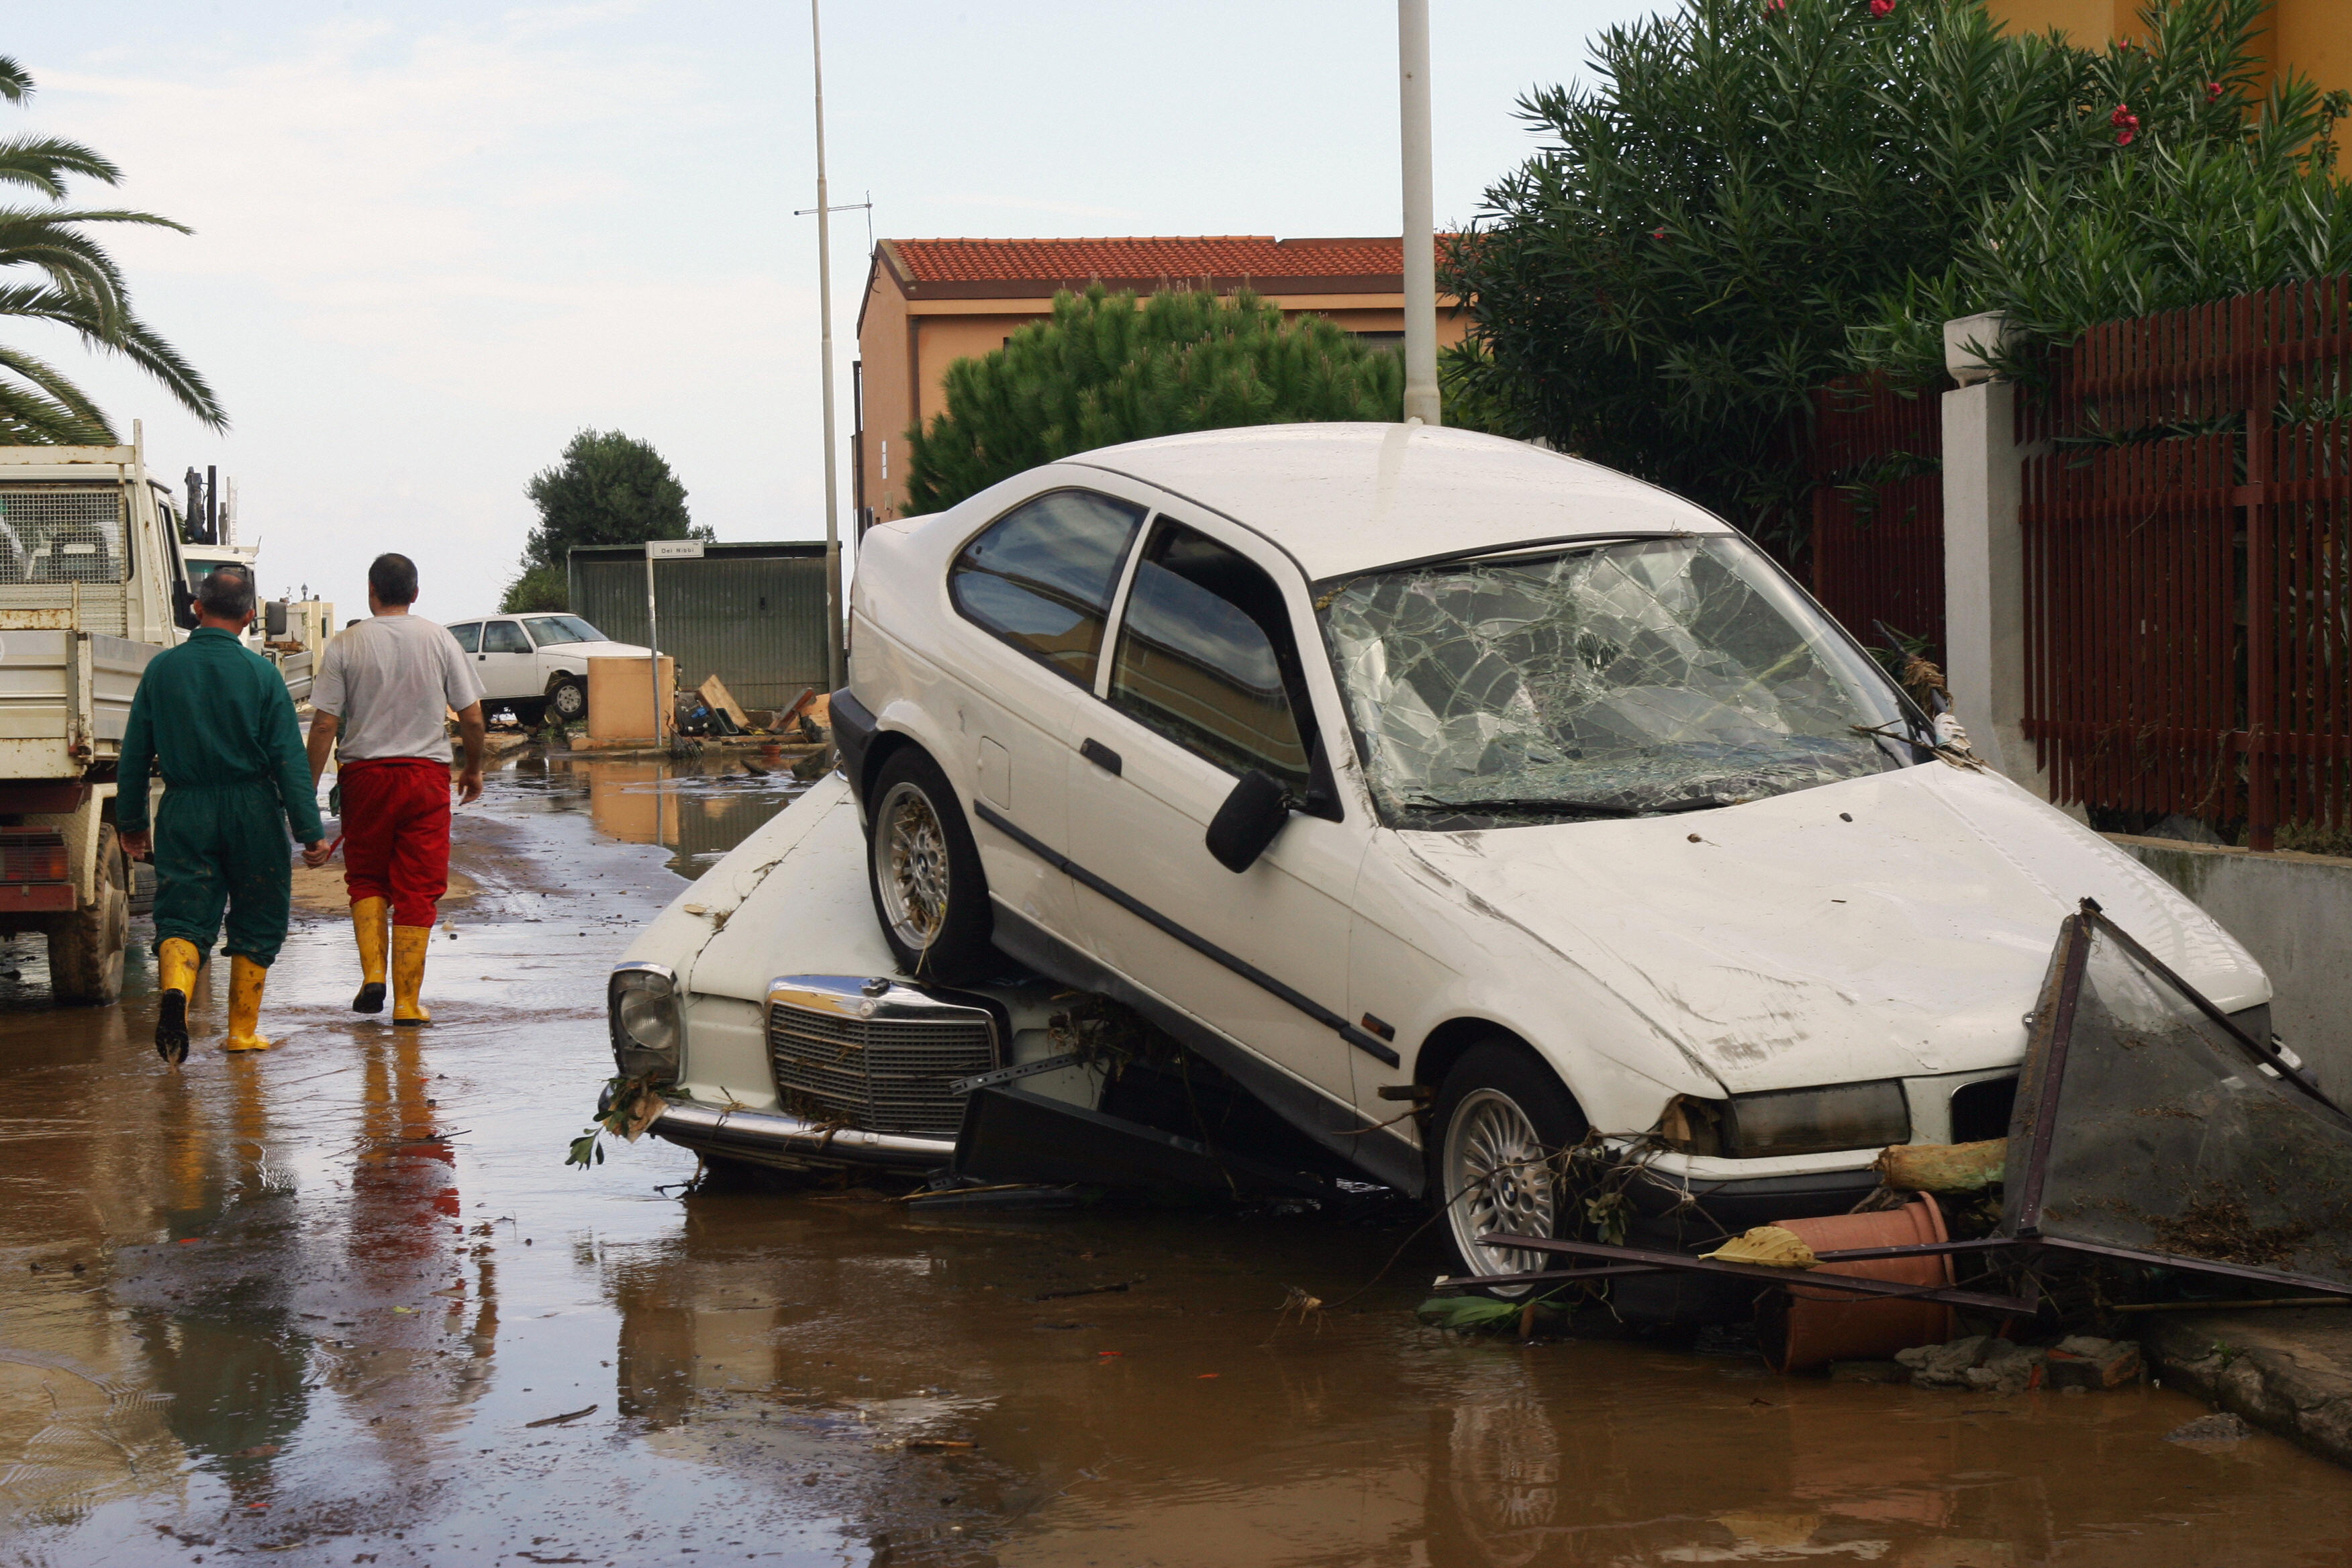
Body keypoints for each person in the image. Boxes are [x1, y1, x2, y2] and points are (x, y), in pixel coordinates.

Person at [118, 565, 332, 1061]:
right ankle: (241, 1032)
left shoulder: (162, 671)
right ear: (252, 616)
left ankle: (176, 994)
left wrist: (131, 823)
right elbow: (287, 760)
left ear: (197, 609)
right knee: (258, 915)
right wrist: (310, 831)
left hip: (185, 806)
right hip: (252, 808)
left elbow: (133, 754)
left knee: (183, 915)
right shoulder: (262, 674)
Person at [306, 553, 485, 1026]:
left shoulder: (345, 645)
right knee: (419, 887)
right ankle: (406, 1003)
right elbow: (471, 717)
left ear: (371, 591)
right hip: (425, 777)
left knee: (366, 877)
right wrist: (474, 770)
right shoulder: (440, 639)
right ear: (416, 593)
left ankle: (373, 977)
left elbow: (324, 725)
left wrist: (306, 790)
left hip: (364, 777)